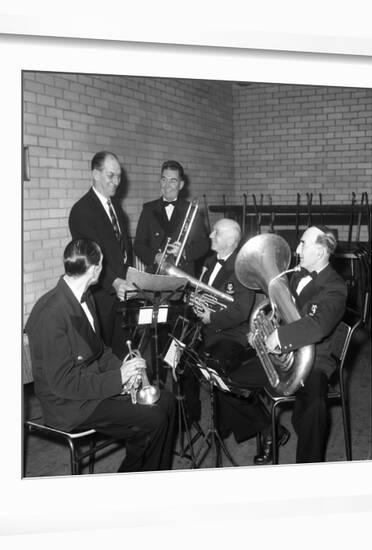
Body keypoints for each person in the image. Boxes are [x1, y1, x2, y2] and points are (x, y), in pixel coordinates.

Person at [24, 239, 176, 473]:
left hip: (90, 388)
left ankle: (152, 477)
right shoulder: (50, 313)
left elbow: (99, 350)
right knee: (152, 419)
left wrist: (126, 369)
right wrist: (118, 380)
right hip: (69, 405)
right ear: (95, 269)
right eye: (102, 265)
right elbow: (63, 383)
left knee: (166, 402)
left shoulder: (85, 296)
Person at [218, 224, 347, 464]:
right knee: (226, 381)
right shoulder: (295, 275)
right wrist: (260, 331)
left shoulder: (335, 287)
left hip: (314, 361)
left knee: (313, 410)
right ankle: (269, 430)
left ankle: (309, 471)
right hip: (281, 358)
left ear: (320, 252)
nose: (296, 249)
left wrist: (280, 336)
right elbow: (278, 312)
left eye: (302, 244)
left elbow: (318, 325)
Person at [190, 219, 278, 447]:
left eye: (216, 233)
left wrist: (212, 317)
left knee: (217, 372)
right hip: (210, 331)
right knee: (186, 363)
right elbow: (206, 293)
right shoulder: (210, 261)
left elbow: (240, 310)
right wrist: (198, 303)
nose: (210, 235)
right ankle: (223, 423)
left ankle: (267, 427)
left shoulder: (242, 268)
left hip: (234, 335)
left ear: (230, 241)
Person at [69, 151, 135, 359]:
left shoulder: (116, 208)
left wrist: (130, 278)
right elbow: (91, 260)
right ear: (95, 174)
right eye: (111, 175)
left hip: (122, 297)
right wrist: (114, 282)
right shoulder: (81, 211)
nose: (116, 182)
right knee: (104, 358)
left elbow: (123, 251)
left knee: (125, 354)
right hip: (101, 299)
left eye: (119, 176)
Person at [134, 160, 210, 276]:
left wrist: (184, 252)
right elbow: (139, 245)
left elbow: (204, 244)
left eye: (173, 181)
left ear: (181, 185)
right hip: (155, 275)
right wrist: (155, 256)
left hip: (183, 274)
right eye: (164, 180)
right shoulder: (148, 209)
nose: (167, 186)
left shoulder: (190, 210)